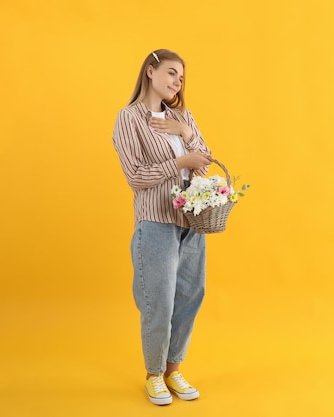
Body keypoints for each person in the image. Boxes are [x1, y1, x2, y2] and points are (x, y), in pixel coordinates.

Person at [112, 49, 212, 406]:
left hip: (192, 220)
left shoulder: (182, 116)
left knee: (190, 296)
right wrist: (179, 160)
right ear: (150, 72)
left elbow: (204, 163)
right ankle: (154, 374)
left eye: (181, 77)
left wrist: (185, 132)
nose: (176, 82)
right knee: (158, 301)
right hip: (155, 222)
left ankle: (174, 370)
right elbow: (137, 177)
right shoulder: (129, 119)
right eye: (171, 73)